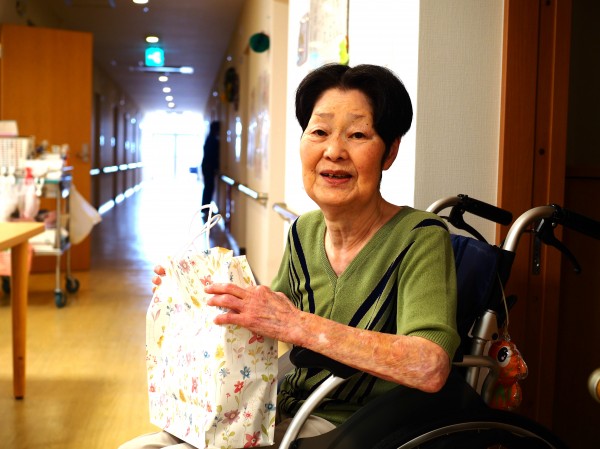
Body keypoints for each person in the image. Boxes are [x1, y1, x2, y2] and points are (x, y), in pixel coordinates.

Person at [120, 63, 460, 449]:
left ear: (390, 152)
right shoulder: (304, 230)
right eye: (319, 132)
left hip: (355, 425)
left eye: (357, 135)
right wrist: (198, 297)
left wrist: (297, 325)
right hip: (279, 401)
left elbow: (430, 365)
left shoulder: (420, 237)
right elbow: (267, 325)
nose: (333, 151)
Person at [201, 121, 220, 213]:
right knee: (209, 188)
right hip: (208, 167)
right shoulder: (212, 140)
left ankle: (205, 207)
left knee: (208, 188)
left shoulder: (210, 139)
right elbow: (213, 156)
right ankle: (205, 208)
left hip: (207, 166)